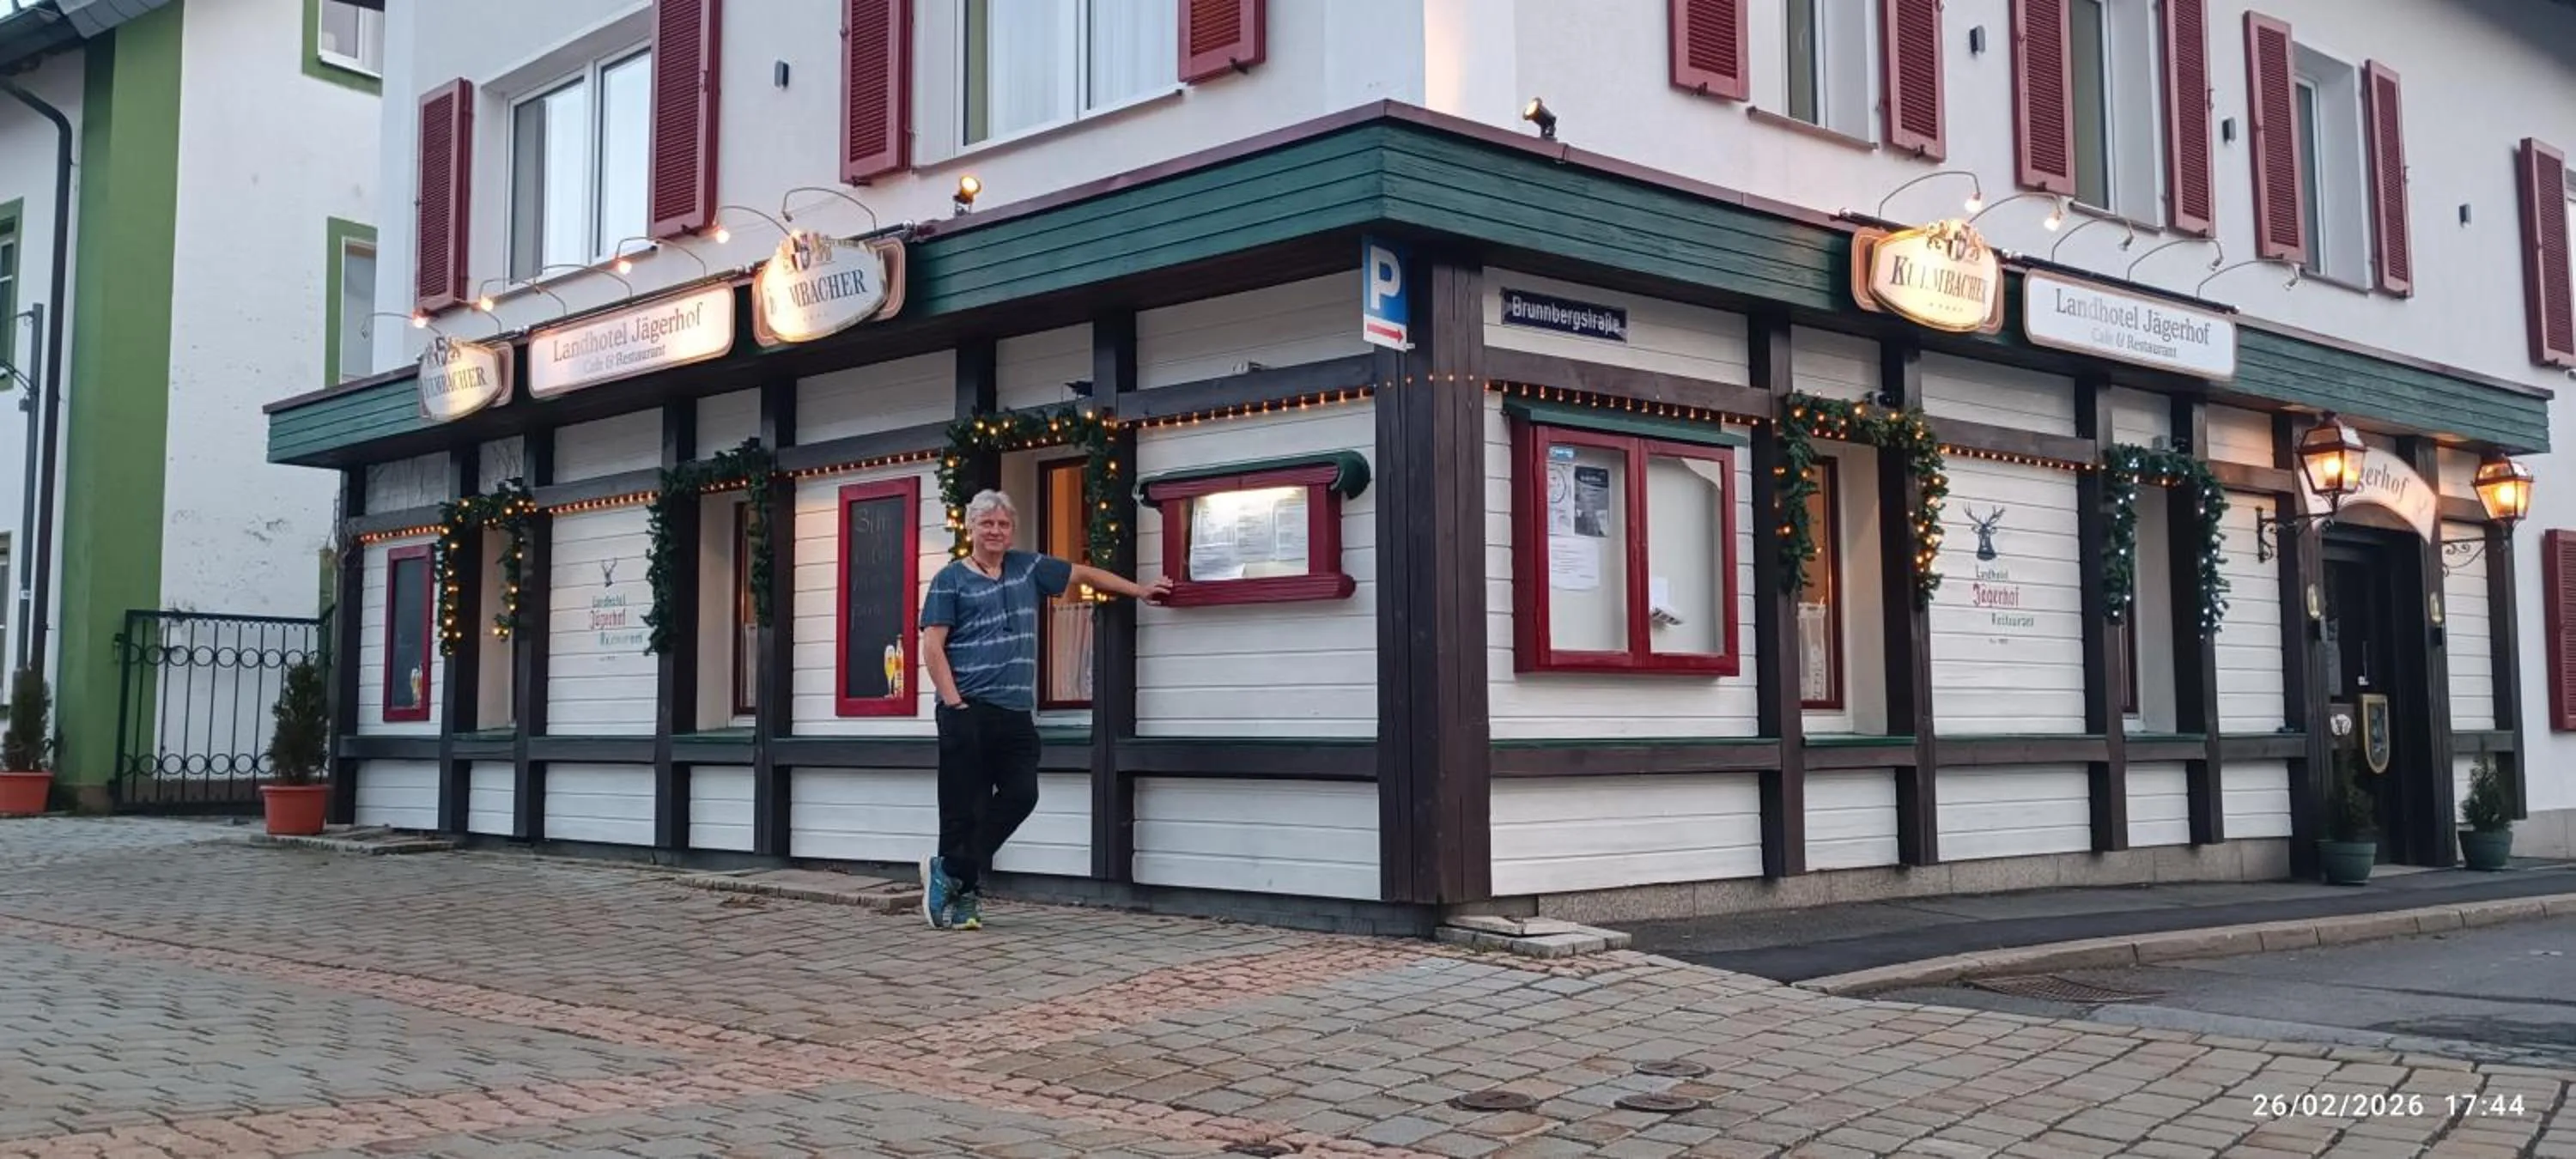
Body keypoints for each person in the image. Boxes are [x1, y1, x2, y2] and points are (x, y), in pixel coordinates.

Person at [919, 488, 1170, 930]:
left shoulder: (1028, 567)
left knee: (1022, 795)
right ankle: (965, 902)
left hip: (1015, 711)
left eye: (1003, 524)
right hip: (966, 708)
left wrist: (1140, 590)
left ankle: (951, 872)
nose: (995, 531)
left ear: (1011, 530)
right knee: (964, 808)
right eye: (987, 524)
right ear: (970, 528)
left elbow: (1084, 574)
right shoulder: (950, 579)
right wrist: (954, 703)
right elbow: (933, 646)